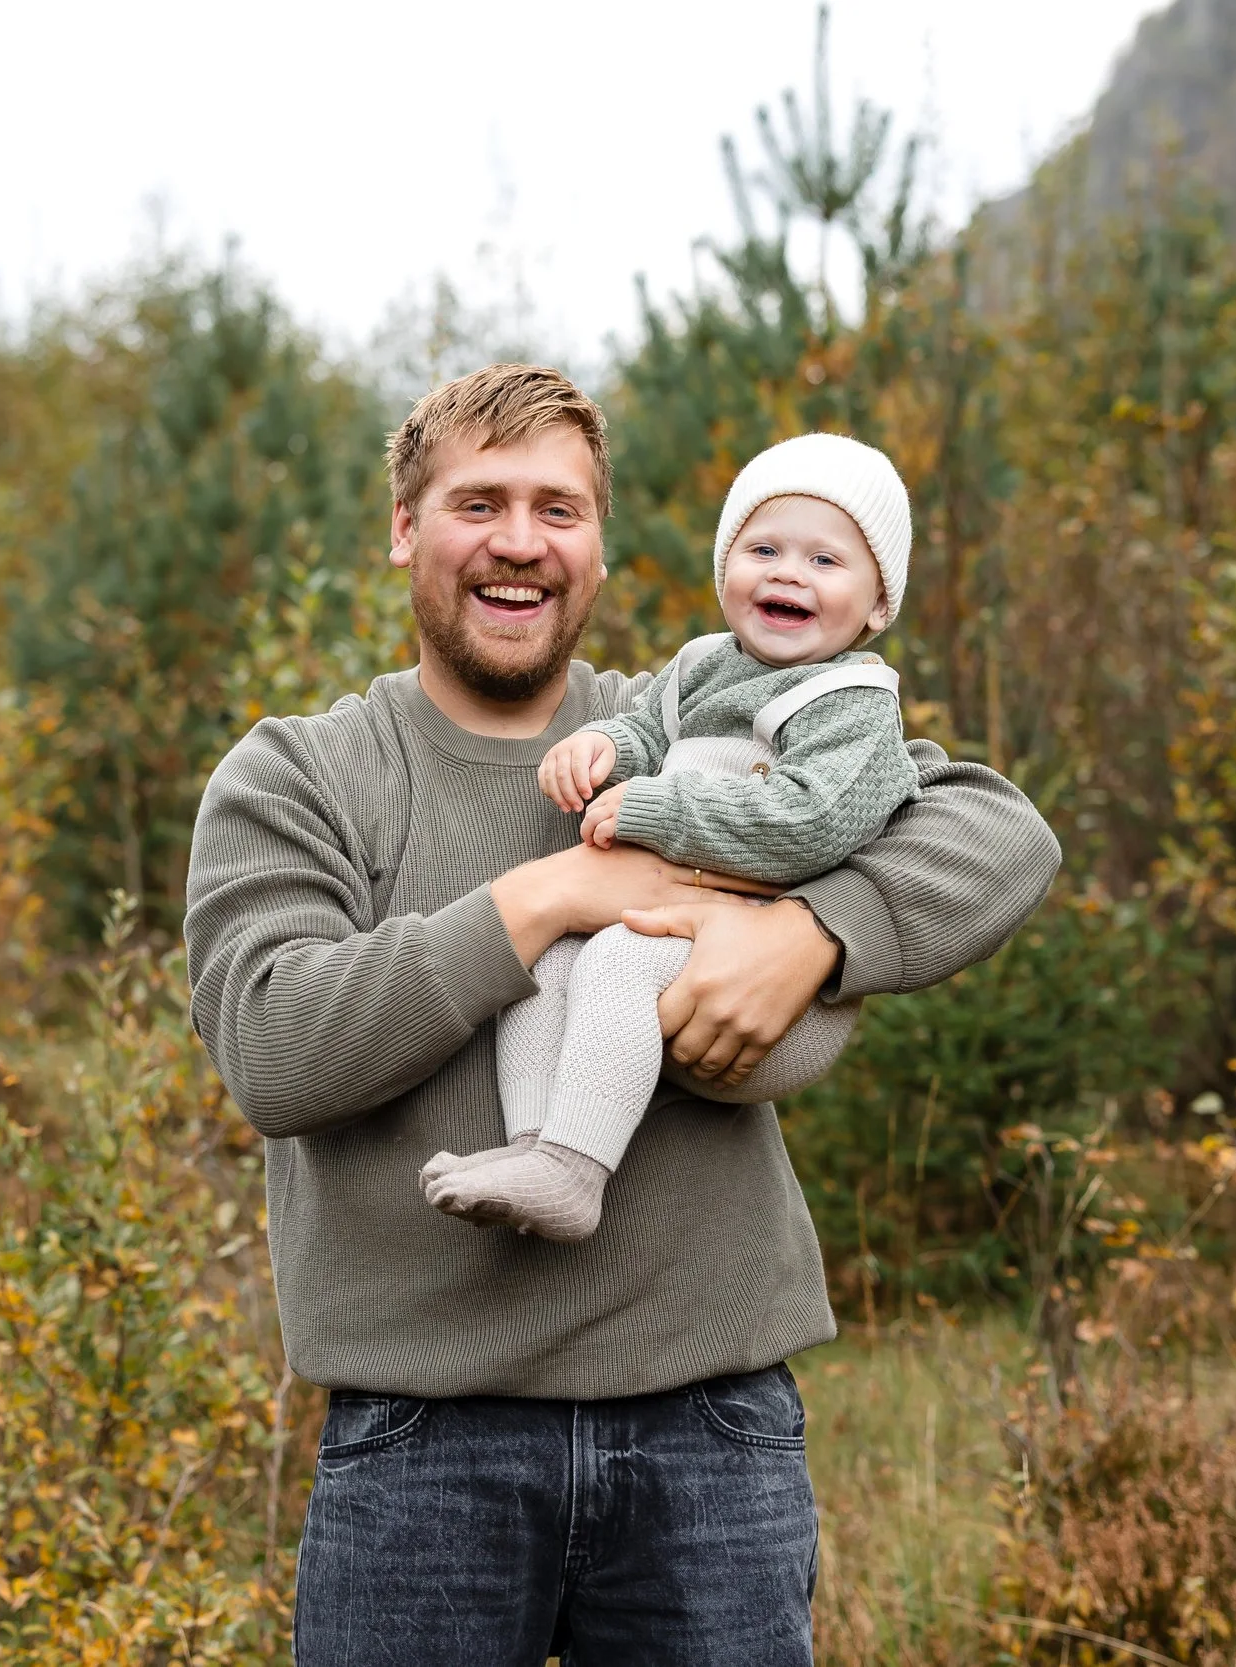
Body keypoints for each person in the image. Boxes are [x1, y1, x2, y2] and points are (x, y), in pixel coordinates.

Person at [183, 364, 1060, 1665]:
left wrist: (814, 931)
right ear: (405, 527)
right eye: (480, 501)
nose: (522, 540)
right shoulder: (306, 771)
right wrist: (551, 895)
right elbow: (274, 1046)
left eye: (560, 507)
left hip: (712, 1436)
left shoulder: (701, 715)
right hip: (423, 1446)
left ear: (599, 543)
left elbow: (995, 826)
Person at [423, 433, 923, 1243]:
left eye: (826, 561)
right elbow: (647, 735)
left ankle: (576, 1174)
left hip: (772, 1004)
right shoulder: (702, 667)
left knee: (615, 957)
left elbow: (811, 822)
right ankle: (537, 1152)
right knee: (546, 961)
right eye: (763, 548)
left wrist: (655, 809)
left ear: (877, 604)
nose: (789, 572)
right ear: (727, 569)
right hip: (671, 946)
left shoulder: (852, 702)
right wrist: (605, 750)